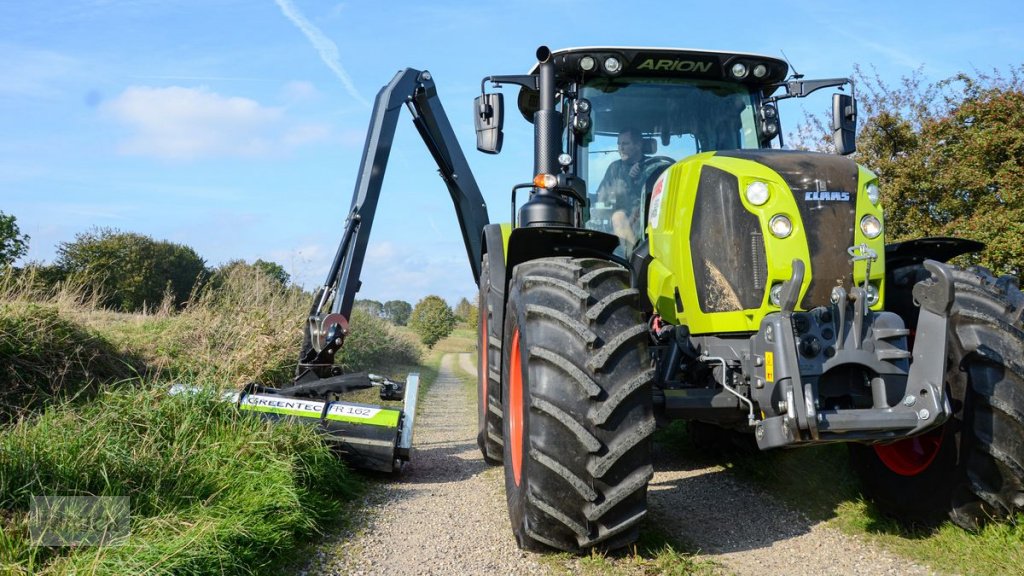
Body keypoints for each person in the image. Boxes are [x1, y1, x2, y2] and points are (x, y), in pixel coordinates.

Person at [595, 127, 648, 251]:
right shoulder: (614, 169)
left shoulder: (652, 166)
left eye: (625, 143)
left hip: (649, 215)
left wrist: (641, 177)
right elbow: (601, 198)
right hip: (624, 219)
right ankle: (630, 260)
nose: (621, 148)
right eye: (619, 144)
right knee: (618, 216)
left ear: (638, 145)